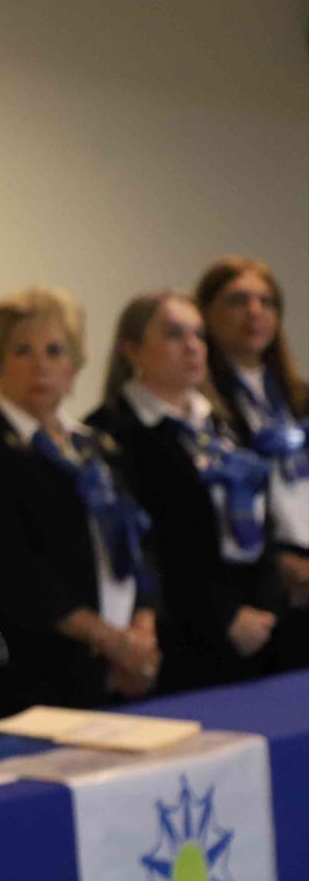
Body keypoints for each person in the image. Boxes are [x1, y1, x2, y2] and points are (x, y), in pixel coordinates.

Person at [0, 289, 159, 719]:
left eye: (55, 350)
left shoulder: (96, 444)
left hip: (112, 668)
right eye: (22, 350)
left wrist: (142, 632)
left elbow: (138, 543)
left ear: (73, 366)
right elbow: (10, 571)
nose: (41, 364)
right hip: (28, 669)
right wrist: (114, 643)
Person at [90, 292, 272, 691]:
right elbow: (153, 545)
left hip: (252, 630)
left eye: (199, 335)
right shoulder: (111, 433)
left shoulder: (221, 424)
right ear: (131, 349)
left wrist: (261, 606)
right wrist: (223, 616)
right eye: (175, 334)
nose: (192, 346)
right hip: (176, 640)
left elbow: (260, 520)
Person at [197, 257, 309, 671]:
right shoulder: (204, 409)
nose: (254, 312)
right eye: (238, 300)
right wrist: (280, 564)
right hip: (258, 590)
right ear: (206, 313)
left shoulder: (297, 398)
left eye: (266, 301)